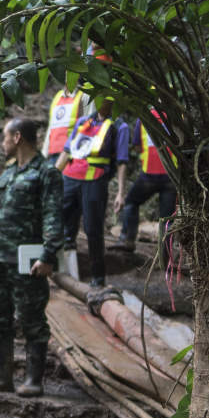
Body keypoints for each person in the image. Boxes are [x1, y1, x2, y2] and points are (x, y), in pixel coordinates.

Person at [0, 118, 64, 398]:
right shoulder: (8, 174)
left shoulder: (46, 173)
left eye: (4, 137)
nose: (2, 143)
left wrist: (48, 255)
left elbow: (53, 216)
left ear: (17, 137)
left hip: (29, 261)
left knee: (32, 319)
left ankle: (34, 381)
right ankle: (1, 377)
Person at [57, 98, 129, 287]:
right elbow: (66, 151)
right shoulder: (83, 122)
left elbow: (122, 161)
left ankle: (98, 278)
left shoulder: (119, 127)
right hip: (70, 177)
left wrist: (121, 193)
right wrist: (52, 176)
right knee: (63, 224)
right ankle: (62, 271)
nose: (99, 101)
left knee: (93, 230)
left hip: (94, 181)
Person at [113, 111, 177, 252]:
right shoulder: (177, 116)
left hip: (149, 175)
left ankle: (127, 239)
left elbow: (137, 146)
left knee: (131, 202)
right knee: (166, 219)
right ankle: (166, 256)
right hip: (171, 177)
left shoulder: (144, 116)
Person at [42, 87, 87, 166]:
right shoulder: (58, 96)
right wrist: (44, 153)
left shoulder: (83, 95)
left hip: (71, 155)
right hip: (53, 154)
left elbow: (87, 126)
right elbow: (51, 127)